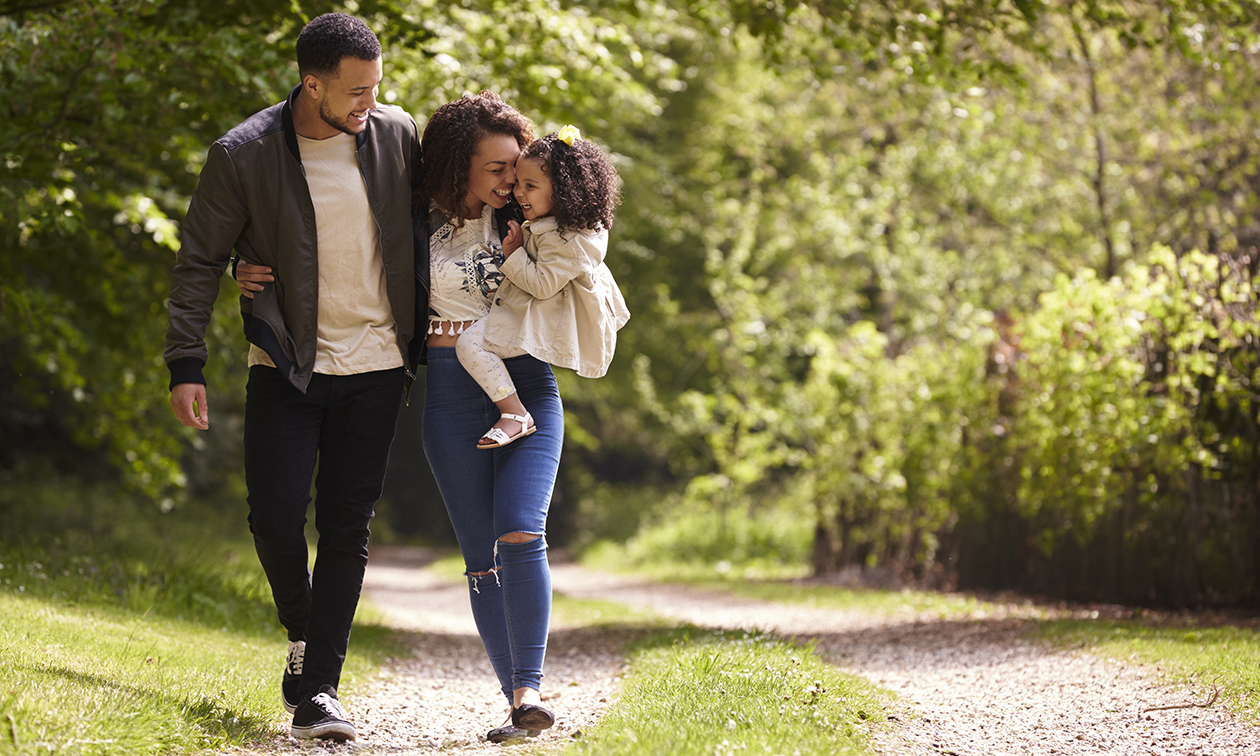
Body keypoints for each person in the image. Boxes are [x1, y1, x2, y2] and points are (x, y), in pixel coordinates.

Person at [164, 12, 420, 742]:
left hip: (377, 365)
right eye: (356, 92)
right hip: (287, 364)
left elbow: (446, 217)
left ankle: (320, 691)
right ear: (312, 84)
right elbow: (196, 265)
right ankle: (306, 637)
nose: (370, 103)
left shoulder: (395, 134)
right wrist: (187, 362)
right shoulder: (243, 155)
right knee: (274, 516)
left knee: (347, 525)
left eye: (376, 87)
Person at [456, 125, 629, 450]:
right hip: (535, 313)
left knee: (470, 345)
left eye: (530, 186)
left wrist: (514, 255)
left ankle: (515, 414)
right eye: (519, 183)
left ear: (564, 191)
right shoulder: (560, 227)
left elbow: (541, 284)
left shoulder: (569, 241)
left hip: (547, 320)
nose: (519, 192)